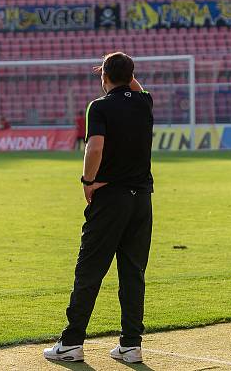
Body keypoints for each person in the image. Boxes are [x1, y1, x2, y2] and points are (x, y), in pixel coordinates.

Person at [44, 52, 154, 364]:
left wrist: (87, 181)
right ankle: (131, 344)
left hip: (110, 197)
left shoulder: (100, 106)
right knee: (133, 272)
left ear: (104, 77)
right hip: (141, 199)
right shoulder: (144, 102)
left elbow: (95, 146)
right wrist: (117, 70)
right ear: (130, 75)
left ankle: (72, 342)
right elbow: (135, 87)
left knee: (89, 269)